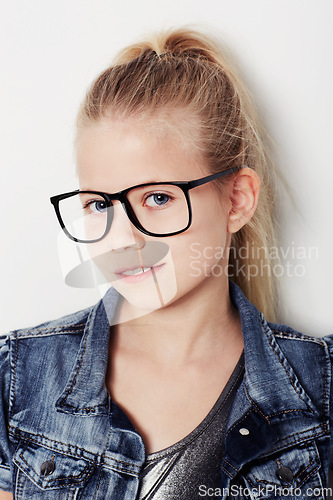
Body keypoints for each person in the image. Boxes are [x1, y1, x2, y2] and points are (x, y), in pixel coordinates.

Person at [0, 26, 332, 500]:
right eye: (99, 205)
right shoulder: (16, 380)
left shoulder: (321, 389)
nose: (123, 238)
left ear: (237, 199)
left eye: (157, 197)